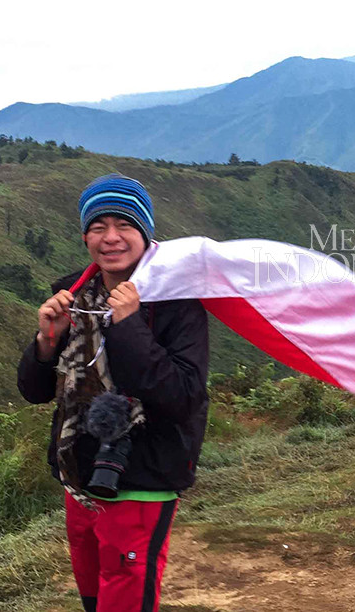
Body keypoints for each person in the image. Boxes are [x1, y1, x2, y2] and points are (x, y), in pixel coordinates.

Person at [17, 173, 210, 612]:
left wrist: (127, 326)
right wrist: (46, 342)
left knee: (124, 591)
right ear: (85, 235)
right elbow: (35, 392)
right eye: (98, 226)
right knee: (93, 591)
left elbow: (182, 396)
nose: (111, 238)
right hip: (80, 471)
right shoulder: (73, 296)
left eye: (124, 224)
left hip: (143, 474)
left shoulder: (177, 302)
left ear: (145, 232)